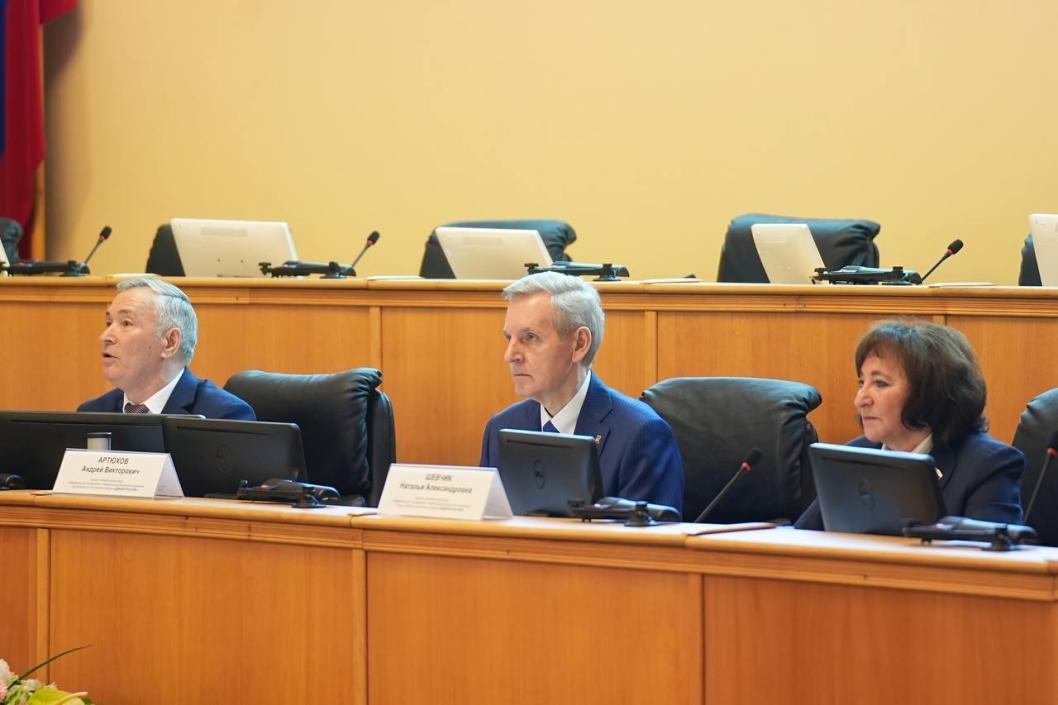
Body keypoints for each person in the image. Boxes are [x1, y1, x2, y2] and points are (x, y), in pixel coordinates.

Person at [480, 272, 684, 511]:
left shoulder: (640, 433)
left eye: (530, 337)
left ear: (579, 344)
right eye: (509, 338)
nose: (510, 355)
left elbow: (651, 534)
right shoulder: (501, 428)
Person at [796, 319, 1023, 529]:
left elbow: (991, 555)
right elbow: (799, 541)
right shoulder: (852, 457)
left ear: (930, 392)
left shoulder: (987, 466)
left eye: (880, 383)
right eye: (861, 383)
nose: (860, 400)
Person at [78, 278, 256, 420]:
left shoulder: (223, 416)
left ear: (170, 342)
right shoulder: (91, 414)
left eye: (126, 323)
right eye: (109, 323)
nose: (105, 336)